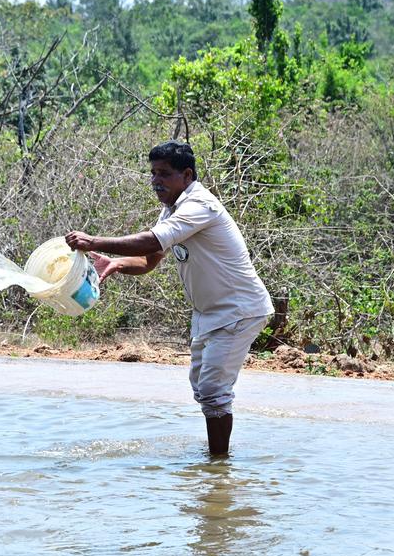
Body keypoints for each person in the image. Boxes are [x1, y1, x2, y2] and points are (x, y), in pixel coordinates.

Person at [65, 140, 273, 456]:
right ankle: (215, 461)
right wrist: (116, 263)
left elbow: (150, 240)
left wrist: (95, 240)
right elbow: (150, 258)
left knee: (214, 391)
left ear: (186, 175)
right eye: (152, 174)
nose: (155, 181)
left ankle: (218, 468)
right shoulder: (171, 210)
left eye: (163, 174)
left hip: (239, 309)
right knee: (204, 390)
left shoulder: (200, 205)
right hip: (208, 313)